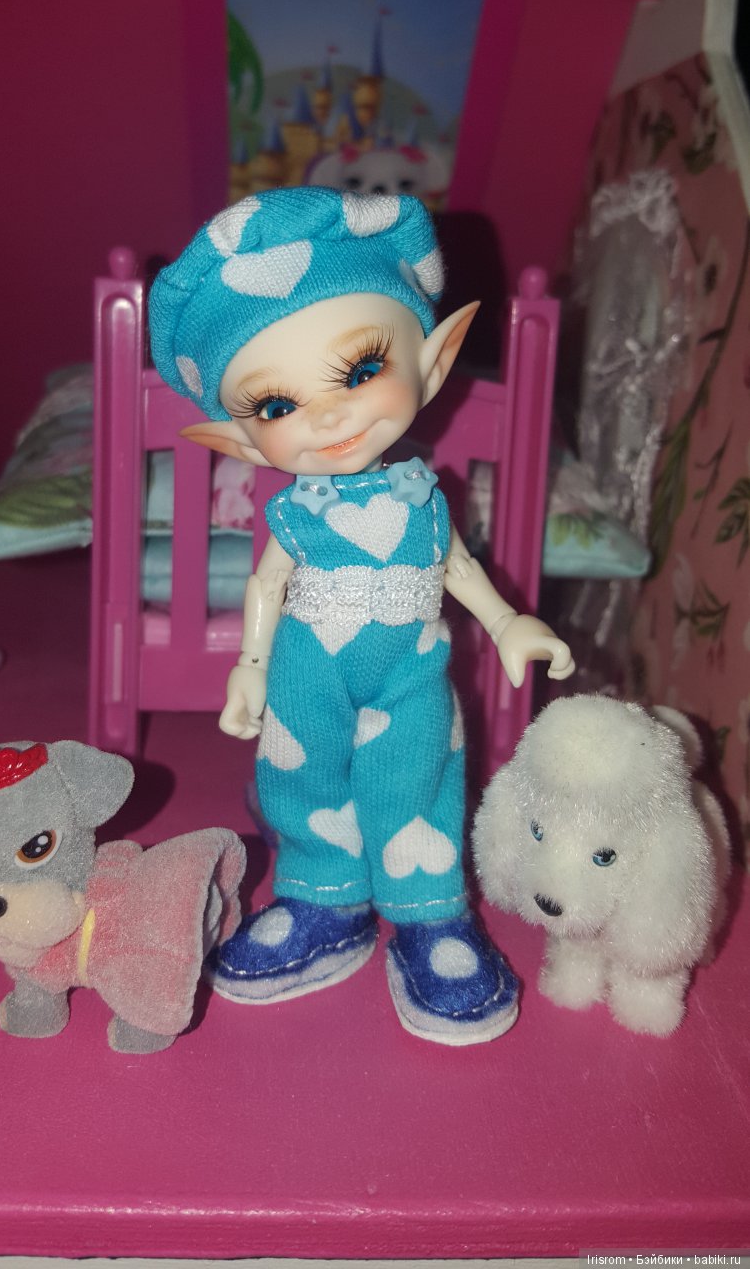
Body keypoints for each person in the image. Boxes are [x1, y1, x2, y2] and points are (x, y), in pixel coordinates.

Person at [149, 186, 574, 1044]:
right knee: (300, 775)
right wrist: (250, 667)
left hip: (411, 670)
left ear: (434, 359)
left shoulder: (423, 497)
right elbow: (266, 586)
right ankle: (321, 895)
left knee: (416, 772)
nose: (330, 415)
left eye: (361, 370)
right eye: (277, 407)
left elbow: (456, 566)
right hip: (305, 669)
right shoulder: (297, 510)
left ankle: (428, 910)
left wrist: (506, 623)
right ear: (242, 441)